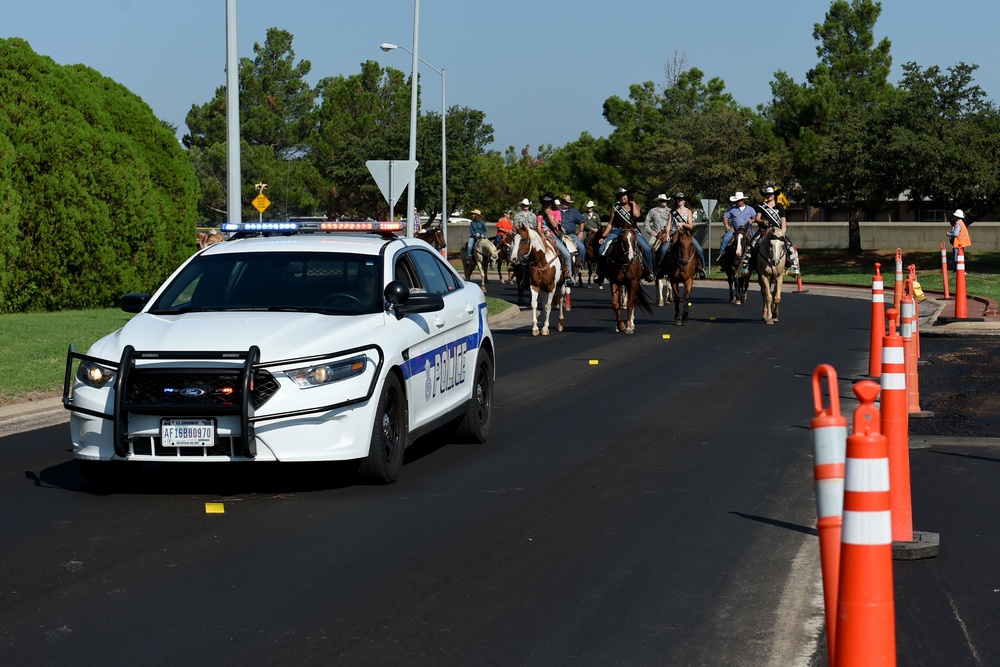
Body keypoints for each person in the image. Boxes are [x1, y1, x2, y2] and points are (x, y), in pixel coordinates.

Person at [598, 187, 655, 283]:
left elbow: (637, 215)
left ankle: (649, 271)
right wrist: (603, 236)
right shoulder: (615, 208)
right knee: (601, 250)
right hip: (617, 231)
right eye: (620, 196)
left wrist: (633, 204)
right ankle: (600, 273)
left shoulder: (634, 205)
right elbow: (610, 224)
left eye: (624, 195)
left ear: (628, 196)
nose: (622, 197)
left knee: (647, 249)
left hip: (632, 231)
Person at [744, 186, 799, 275]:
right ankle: (747, 266)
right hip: (764, 230)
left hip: (778, 231)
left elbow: (783, 219)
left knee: (789, 245)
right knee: (752, 243)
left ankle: (792, 266)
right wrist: (762, 221)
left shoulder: (779, 206)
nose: (769, 195)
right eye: (767, 194)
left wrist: (783, 231)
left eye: (770, 194)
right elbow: (757, 218)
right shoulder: (761, 206)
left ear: (774, 195)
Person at [537, 193, 575, 286]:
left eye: (549, 203)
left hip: (553, 236)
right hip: (542, 236)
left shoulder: (556, 212)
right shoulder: (540, 214)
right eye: (545, 203)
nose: (547, 205)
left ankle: (568, 275)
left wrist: (548, 214)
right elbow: (538, 227)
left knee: (566, 253)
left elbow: (555, 225)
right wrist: (542, 235)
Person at [668, 193, 707, 279]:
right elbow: (668, 225)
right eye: (678, 199)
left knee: (699, 249)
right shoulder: (672, 211)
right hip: (675, 233)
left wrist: (682, 224)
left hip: (686, 234)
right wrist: (667, 234)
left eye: (682, 199)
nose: (680, 200)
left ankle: (702, 269)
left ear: (684, 201)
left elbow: (691, 226)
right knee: (664, 249)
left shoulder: (688, 211)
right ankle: (661, 269)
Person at [719, 191, 756, 261]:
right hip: (735, 230)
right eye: (737, 201)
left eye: (739, 200)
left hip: (747, 229)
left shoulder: (750, 209)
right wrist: (727, 225)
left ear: (743, 200)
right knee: (725, 239)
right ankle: (721, 256)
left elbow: (756, 217)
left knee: (756, 240)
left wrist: (752, 220)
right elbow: (725, 217)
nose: (738, 202)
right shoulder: (732, 209)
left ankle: (755, 258)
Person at [559, 194, 586, 263]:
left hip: (570, 234)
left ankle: (581, 264)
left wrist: (581, 232)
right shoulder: (557, 211)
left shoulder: (574, 211)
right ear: (561, 202)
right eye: (565, 202)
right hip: (558, 234)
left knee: (581, 247)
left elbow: (582, 221)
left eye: (568, 203)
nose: (566, 204)